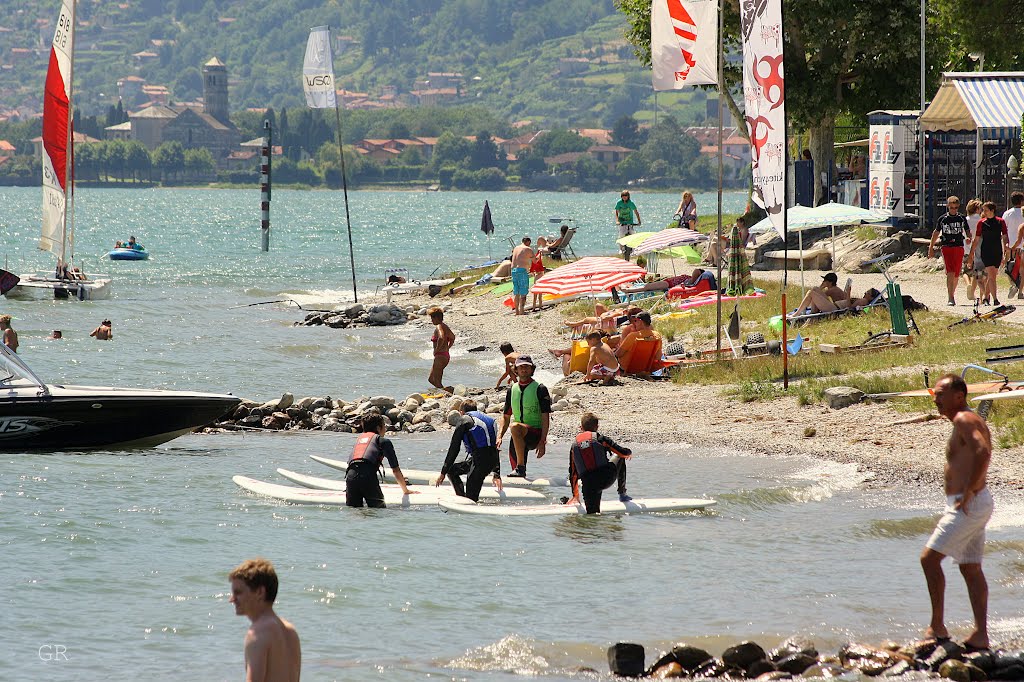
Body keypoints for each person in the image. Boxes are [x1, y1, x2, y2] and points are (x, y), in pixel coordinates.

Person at [920, 374, 994, 651]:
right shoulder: (964, 419)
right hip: (972, 502)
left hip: (968, 504)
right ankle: (980, 635)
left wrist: (971, 489)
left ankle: (937, 627)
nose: (936, 399)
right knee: (970, 568)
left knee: (929, 559)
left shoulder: (964, 419)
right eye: (935, 394)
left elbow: (983, 451)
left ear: (958, 396)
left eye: (940, 394)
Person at [228, 557, 301, 682]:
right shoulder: (290, 631)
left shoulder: (258, 633)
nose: (232, 599)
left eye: (238, 592)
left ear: (260, 592)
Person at [434, 400, 502, 501]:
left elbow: (454, 448)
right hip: (488, 460)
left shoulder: (464, 419)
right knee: (452, 471)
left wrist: (443, 472)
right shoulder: (489, 419)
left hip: (480, 462)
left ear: (462, 412)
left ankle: (467, 505)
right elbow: (494, 448)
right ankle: (461, 498)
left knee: (471, 499)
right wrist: (496, 472)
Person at [497, 355, 552, 477]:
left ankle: (520, 467)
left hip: (534, 434)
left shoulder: (540, 389)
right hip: (517, 436)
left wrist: (543, 441)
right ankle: (520, 473)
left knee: (515, 426)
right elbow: (506, 417)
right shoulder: (512, 390)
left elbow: (545, 417)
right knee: (516, 476)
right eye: (521, 367)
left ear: (532, 369)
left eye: (527, 367)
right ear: (515, 370)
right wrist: (499, 436)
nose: (524, 369)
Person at [566, 412, 632, 513]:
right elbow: (622, 453)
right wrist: (629, 452)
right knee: (619, 457)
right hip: (605, 478)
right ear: (597, 427)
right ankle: (622, 494)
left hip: (588, 486)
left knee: (592, 516)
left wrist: (575, 496)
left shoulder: (574, 446)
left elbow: (573, 473)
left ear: (581, 427)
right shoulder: (600, 439)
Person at [345, 414, 415, 507]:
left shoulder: (359, 440)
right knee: (378, 512)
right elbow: (395, 470)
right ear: (378, 428)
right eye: (384, 426)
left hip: (350, 477)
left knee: (354, 512)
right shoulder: (383, 441)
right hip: (367, 477)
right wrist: (405, 490)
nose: (385, 429)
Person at [928, 196, 972, 306]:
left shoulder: (961, 218)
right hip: (947, 246)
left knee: (957, 273)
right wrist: (931, 247)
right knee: (950, 272)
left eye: (956, 207)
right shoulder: (943, 219)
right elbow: (936, 233)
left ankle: (952, 292)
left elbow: (968, 232)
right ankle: (950, 297)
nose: (954, 210)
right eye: (952, 207)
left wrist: (968, 238)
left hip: (959, 246)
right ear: (948, 206)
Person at [967, 202, 1010, 307]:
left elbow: (1005, 236)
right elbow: (976, 239)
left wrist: (1006, 247)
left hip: (997, 251)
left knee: (992, 276)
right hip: (986, 251)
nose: (984, 212)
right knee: (991, 275)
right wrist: (971, 254)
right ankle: (995, 299)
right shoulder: (981, 223)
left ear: (992, 210)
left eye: (985, 210)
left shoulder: (1001, 222)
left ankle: (986, 297)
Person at [790, 287, 880, 316]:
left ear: (871, 298)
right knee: (815, 289)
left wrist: (848, 294)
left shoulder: (864, 301)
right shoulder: (862, 300)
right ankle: (812, 313)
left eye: (867, 293)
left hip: (834, 309)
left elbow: (849, 308)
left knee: (811, 293)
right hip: (834, 306)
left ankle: (797, 314)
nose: (865, 293)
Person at [964, 199, 988, 304]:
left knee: (965, 271)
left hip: (966, 248)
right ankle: (981, 297)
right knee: (978, 274)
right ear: (978, 209)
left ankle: (969, 285)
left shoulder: (965, 220)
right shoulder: (982, 220)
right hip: (979, 249)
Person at [427, 307, 455, 392]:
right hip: (444, 356)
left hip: (440, 356)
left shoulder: (439, 327)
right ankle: (446, 391)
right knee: (431, 379)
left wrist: (437, 350)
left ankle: (448, 392)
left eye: (432, 318)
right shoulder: (445, 326)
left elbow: (442, 337)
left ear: (436, 318)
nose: (431, 321)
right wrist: (448, 348)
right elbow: (452, 337)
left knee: (437, 381)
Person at [1003, 192, 1024, 299]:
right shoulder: (1023, 212)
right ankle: (1020, 291)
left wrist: (1004, 244)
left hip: (1011, 245)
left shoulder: (1007, 214)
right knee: (1022, 269)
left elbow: (1004, 230)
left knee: (1009, 267)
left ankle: (1013, 284)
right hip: (1021, 245)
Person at [510, 237, 534, 315]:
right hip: (522, 271)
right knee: (523, 292)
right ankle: (522, 310)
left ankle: (516, 311)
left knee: (516, 292)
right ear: (528, 242)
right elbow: (535, 260)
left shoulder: (516, 248)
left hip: (513, 271)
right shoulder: (527, 249)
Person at [614, 190, 641, 257]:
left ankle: (634, 249)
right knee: (621, 235)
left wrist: (639, 221)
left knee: (633, 234)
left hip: (630, 222)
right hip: (622, 222)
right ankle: (621, 248)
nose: (624, 197)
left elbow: (636, 212)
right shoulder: (619, 203)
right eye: (623, 196)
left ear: (628, 196)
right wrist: (617, 220)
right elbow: (616, 212)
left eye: (625, 196)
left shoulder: (631, 203)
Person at [530, 237, 547, 310]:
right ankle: (540, 306)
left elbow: (532, 267)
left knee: (536, 293)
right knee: (539, 292)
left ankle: (534, 307)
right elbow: (538, 258)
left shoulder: (533, 258)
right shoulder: (538, 255)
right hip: (540, 275)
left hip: (537, 275)